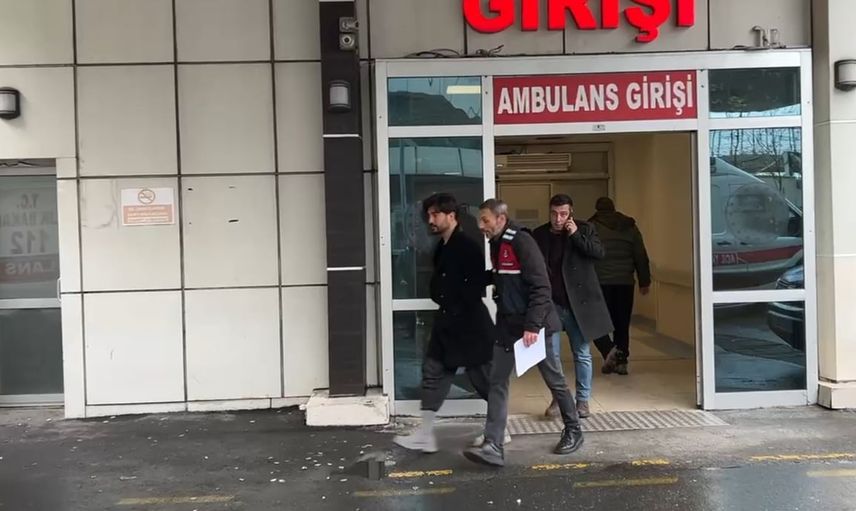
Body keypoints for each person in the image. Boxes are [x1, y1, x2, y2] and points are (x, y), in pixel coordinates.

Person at [463, 199, 583, 468]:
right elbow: (502, 277)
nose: (481, 225)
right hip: (508, 325)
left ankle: (574, 430)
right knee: (497, 380)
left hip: (535, 326)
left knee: (554, 380)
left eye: (485, 220)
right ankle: (493, 445)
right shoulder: (496, 243)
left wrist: (532, 326)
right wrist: (472, 279)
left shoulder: (521, 241)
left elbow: (541, 286)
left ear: (500, 219)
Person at [393, 193, 495, 453]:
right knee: (433, 373)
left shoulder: (467, 246)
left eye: (435, 214)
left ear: (451, 216)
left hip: (469, 325)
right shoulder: (442, 246)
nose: (430, 220)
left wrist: (452, 300)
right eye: (429, 215)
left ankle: (498, 431)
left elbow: (474, 286)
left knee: (483, 380)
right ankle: (425, 435)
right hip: (448, 323)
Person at [533, 194, 616, 419]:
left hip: (578, 303)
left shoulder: (585, 229)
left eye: (563, 214)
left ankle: (583, 401)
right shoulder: (540, 234)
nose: (558, 219)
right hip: (551, 303)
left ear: (571, 213)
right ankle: (559, 398)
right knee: (552, 356)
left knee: (582, 353)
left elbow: (598, 253)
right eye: (554, 213)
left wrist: (576, 235)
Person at [588, 197, 652, 375]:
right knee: (622, 323)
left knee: (597, 323)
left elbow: (585, 254)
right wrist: (644, 281)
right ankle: (621, 360)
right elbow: (640, 255)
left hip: (600, 283)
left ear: (597, 209)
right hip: (625, 282)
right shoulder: (629, 227)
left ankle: (610, 352)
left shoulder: (591, 227)